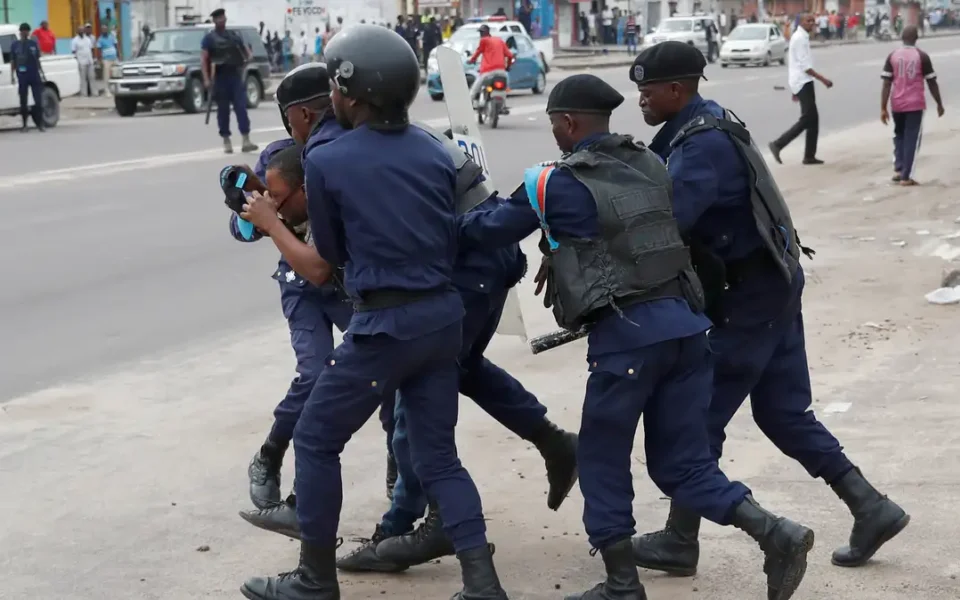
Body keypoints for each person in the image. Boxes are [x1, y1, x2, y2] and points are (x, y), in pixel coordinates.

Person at [456, 73, 815, 600]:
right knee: (684, 464)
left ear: (568, 122)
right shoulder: (651, 162)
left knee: (601, 458)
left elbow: (485, 230)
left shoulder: (553, 182)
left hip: (627, 339)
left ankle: (622, 585)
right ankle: (776, 533)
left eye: (554, 124)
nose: (554, 133)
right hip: (688, 331)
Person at [236, 64, 579, 576]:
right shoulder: (397, 134)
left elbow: (326, 260)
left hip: (458, 271)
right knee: (454, 374)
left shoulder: (336, 150)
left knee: (405, 403)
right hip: (473, 266)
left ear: (310, 112)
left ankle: (406, 525)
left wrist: (280, 228)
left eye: (291, 121)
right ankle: (547, 449)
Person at [626, 41, 909, 580]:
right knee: (782, 412)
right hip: (772, 284)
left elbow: (668, 227)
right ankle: (870, 506)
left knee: (697, 418)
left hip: (748, 299)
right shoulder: (708, 123)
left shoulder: (698, 146)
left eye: (647, 91)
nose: (640, 100)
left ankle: (681, 540)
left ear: (677, 90)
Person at [222, 63, 397, 515]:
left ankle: (399, 470)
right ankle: (270, 454)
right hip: (302, 284)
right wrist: (250, 209)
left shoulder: (347, 149)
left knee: (388, 374)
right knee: (315, 374)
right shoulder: (279, 156)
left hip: (347, 285)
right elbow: (244, 230)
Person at [880, 25, 944, 186]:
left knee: (899, 135)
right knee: (912, 139)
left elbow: (886, 83)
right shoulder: (922, 56)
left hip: (897, 103)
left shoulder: (893, 55)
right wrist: (939, 103)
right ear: (916, 38)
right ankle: (906, 176)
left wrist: (883, 107)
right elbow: (931, 82)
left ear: (902, 38)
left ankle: (899, 168)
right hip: (915, 104)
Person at [769, 13, 831, 166]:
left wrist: (794, 89)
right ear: (801, 22)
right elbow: (805, 67)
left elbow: (796, 63)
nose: (811, 23)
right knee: (808, 118)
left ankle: (809, 156)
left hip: (802, 82)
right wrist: (823, 79)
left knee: (813, 120)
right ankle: (778, 144)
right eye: (808, 21)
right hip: (802, 81)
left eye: (813, 21)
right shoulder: (799, 39)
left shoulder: (802, 37)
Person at [201, 8, 258, 154]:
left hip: (235, 76)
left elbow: (246, 50)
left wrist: (248, 57)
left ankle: (246, 140)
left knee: (241, 108)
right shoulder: (209, 39)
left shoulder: (233, 36)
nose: (222, 20)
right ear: (214, 20)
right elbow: (204, 59)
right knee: (223, 111)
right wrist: (206, 79)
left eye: (223, 17)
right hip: (219, 78)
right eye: (218, 18)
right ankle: (226, 140)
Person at [9, 23, 46, 133]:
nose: (25, 33)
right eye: (23, 31)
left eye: (27, 31)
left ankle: (40, 124)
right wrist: (12, 76)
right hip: (22, 76)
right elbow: (13, 61)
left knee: (38, 101)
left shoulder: (33, 44)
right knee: (23, 102)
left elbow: (37, 60)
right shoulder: (15, 45)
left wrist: (42, 73)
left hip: (34, 75)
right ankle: (24, 125)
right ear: (20, 32)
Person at [468, 25, 513, 112]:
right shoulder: (499, 40)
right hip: (501, 71)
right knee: (504, 88)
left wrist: (472, 60)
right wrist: (508, 66)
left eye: (481, 32)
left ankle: (467, 106)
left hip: (487, 72)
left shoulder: (484, 40)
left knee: (474, 89)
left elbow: (478, 51)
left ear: (485, 33)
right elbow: (510, 55)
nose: (481, 34)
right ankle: (503, 105)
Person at [71, 25, 95, 97]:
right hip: (81, 61)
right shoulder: (74, 40)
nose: (81, 31)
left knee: (92, 77)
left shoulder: (87, 39)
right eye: (80, 30)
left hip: (89, 60)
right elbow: (73, 51)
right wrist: (76, 61)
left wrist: (93, 58)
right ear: (77, 31)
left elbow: (91, 49)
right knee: (83, 78)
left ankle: (94, 93)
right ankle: (84, 94)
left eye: (82, 30)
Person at [97, 25, 119, 97]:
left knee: (117, 74)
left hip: (114, 58)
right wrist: (100, 60)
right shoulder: (100, 39)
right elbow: (99, 50)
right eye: (103, 29)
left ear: (107, 30)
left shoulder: (112, 37)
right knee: (106, 76)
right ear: (101, 31)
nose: (104, 31)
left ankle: (116, 89)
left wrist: (118, 55)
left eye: (105, 29)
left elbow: (116, 46)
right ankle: (107, 91)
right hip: (106, 60)